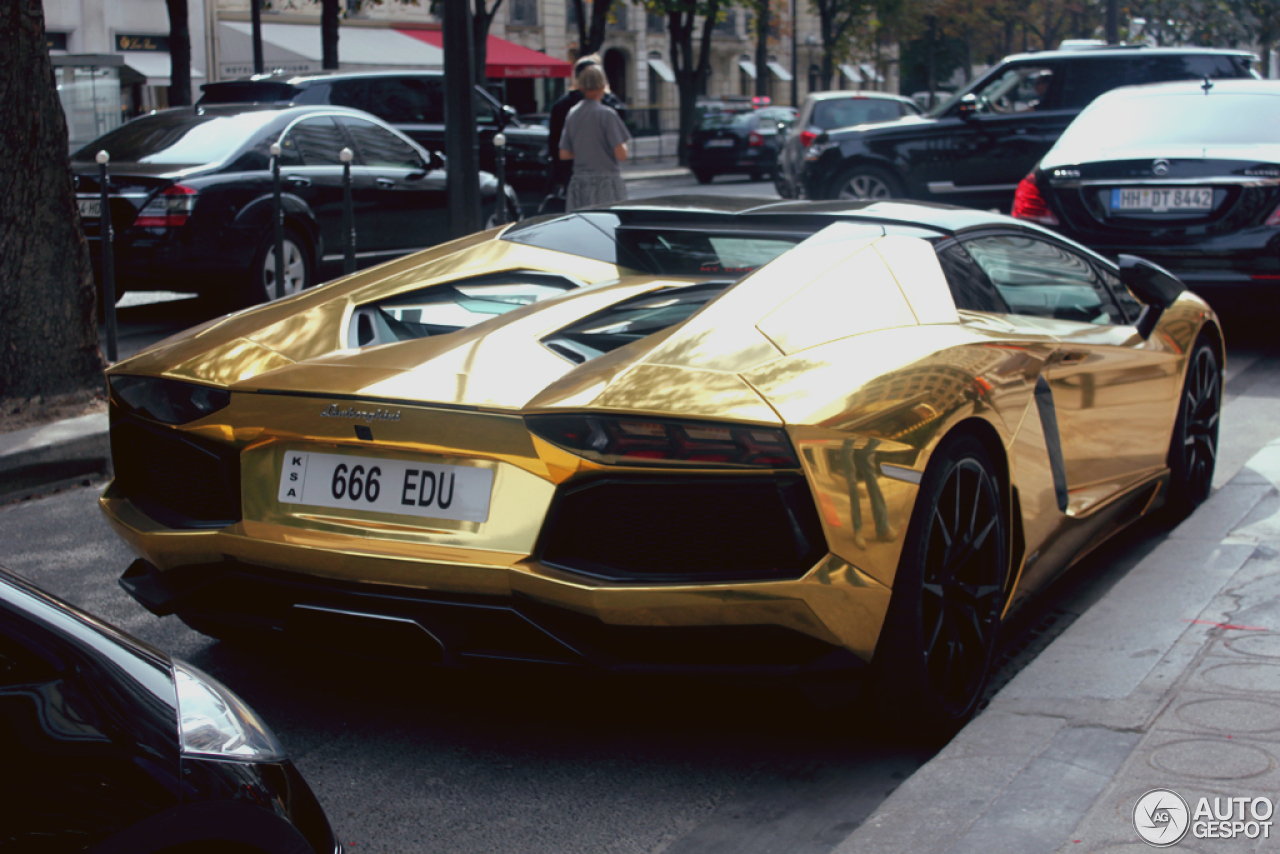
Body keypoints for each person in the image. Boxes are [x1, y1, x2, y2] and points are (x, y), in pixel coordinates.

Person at [547, 55, 626, 194]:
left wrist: (559, 177)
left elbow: (557, 148)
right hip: (606, 177)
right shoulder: (608, 109)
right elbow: (621, 152)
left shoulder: (566, 109)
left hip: (575, 177)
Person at [559, 64, 631, 211]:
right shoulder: (607, 114)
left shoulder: (573, 113)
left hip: (580, 182)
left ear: (581, 87)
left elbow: (564, 153)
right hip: (607, 181)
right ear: (603, 86)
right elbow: (621, 154)